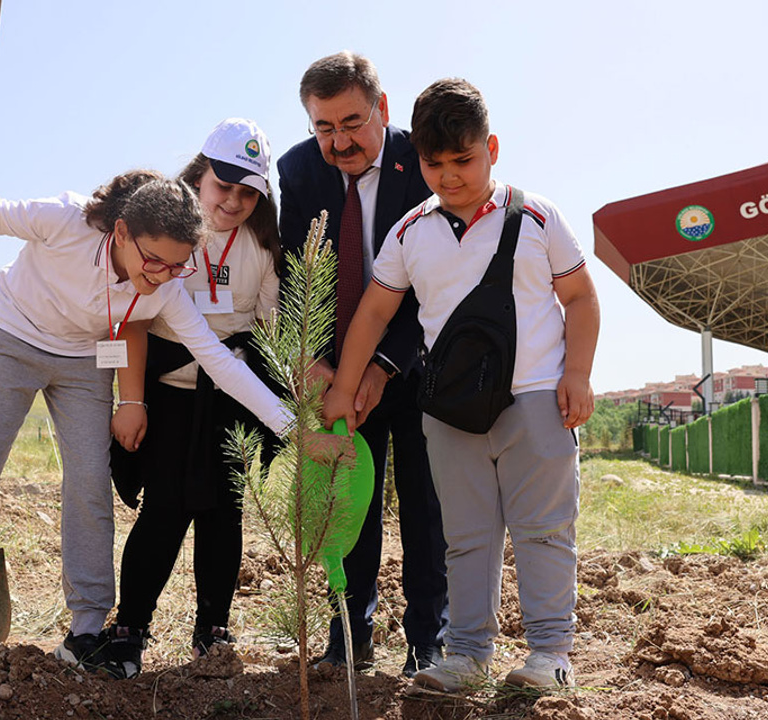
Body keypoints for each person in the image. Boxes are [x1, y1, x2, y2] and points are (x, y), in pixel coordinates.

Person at [0, 148, 300, 694]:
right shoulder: (64, 218)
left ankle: (84, 630)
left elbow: (219, 362)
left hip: (84, 359)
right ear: (122, 233)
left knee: (88, 486)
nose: (162, 277)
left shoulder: (168, 286)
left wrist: (293, 428)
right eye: (154, 261)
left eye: (177, 266)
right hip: (14, 338)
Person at [323, 77, 600, 692]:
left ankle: (550, 655)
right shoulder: (409, 232)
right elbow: (373, 312)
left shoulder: (537, 216)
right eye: (434, 163)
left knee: (544, 530)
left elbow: (579, 297)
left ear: (492, 148)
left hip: (537, 400)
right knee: (466, 538)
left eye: (463, 161)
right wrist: (343, 388)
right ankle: (467, 656)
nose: (449, 177)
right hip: (447, 412)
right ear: (416, 158)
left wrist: (576, 373)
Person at [277, 51, 448, 678]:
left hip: (418, 359)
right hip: (339, 374)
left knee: (425, 506)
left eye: (351, 122)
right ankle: (350, 633)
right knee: (349, 501)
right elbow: (303, 275)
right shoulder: (297, 171)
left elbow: (432, 283)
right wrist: (323, 365)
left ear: (381, 108)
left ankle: (429, 638)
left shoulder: (420, 163)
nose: (338, 142)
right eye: (324, 127)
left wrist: (379, 367)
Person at [103, 118, 281, 677]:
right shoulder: (159, 223)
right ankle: (130, 626)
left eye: (248, 192)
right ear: (199, 175)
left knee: (224, 513)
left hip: (230, 395)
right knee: (163, 509)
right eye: (223, 186)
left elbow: (272, 327)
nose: (232, 201)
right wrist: (126, 399)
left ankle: (214, 628)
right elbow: (123, 317)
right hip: (162, 392)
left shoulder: (262, 245)